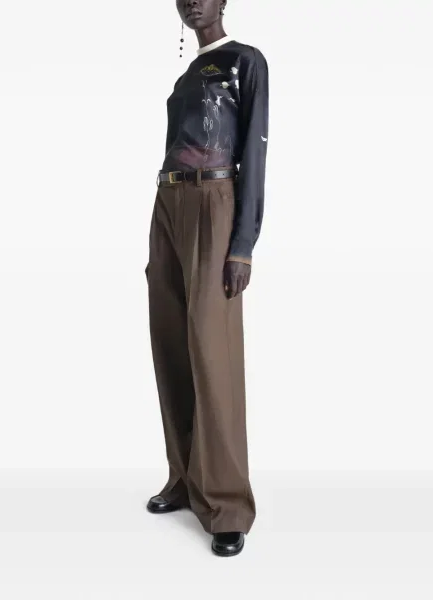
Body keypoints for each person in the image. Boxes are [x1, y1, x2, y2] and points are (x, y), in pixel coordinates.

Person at [145, 0, 269, 557]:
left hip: (215, 200)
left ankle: (227, 503)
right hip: (167, 201)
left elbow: (255, 152)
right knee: (171, 341)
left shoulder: (245, 61)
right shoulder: (187, 74)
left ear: (223, 2)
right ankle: (184, 476)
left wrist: (242, 245)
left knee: (211, 350)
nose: (193, 2)